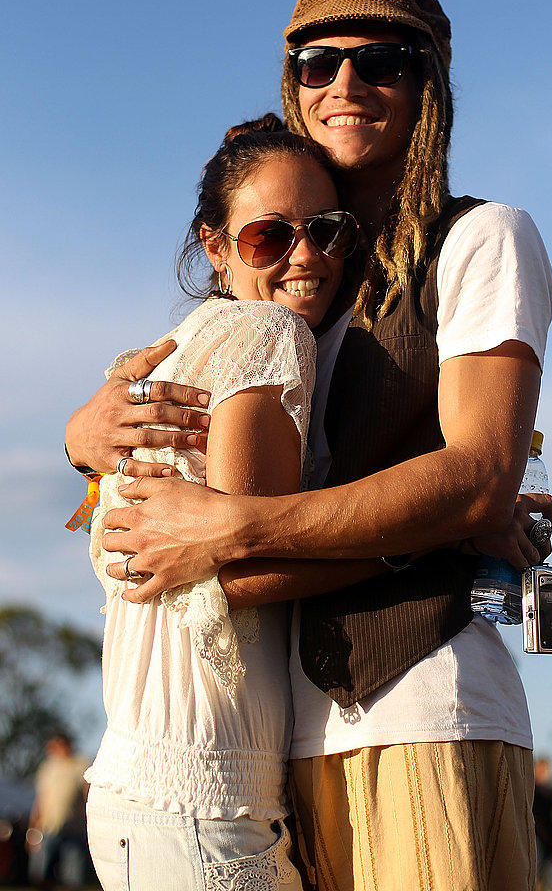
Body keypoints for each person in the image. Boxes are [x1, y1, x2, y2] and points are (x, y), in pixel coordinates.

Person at [65, 0, 552, 891]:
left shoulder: (482, 237)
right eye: (318, 62)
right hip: (294, 735)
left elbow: (481, 474)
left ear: (430, 88)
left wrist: (233, 527)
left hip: (424, 706)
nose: (346, 84)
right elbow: (159, 440)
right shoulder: (301, 294)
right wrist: (80, 435)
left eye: (382, 61)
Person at [82, 116, 365, 891]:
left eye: (327, 230)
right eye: (269, 237)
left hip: (160, 788)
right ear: (216, 247)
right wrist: (442, 536)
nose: (306, 255)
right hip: (201, 798)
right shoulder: (266, 332)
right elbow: (243, 563)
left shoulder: (181, 348)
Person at [27, 733, 90, 890]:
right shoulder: (48, 768)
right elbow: (41, 799)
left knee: (73, 873)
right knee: (41, 871)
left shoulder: (81, 765)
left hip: (74, 828)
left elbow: (88, 796)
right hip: (49, 827)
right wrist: (33, 826)